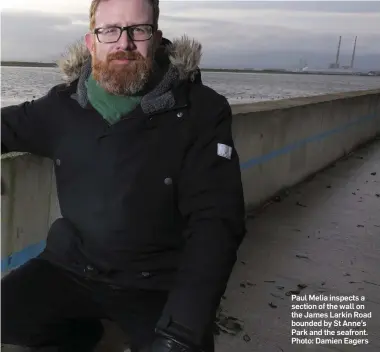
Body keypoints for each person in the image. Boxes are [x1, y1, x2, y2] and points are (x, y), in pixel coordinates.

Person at [1, 0, 246, 351]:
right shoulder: (63, 106)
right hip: (70, 267)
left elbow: (217, 222)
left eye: (138, 30)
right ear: (91, 42)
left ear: (156, 38)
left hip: (158, 283)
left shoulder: (201, 111)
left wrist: (184, 330)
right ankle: (78, 336)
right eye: (110, 30)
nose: (124, 43)